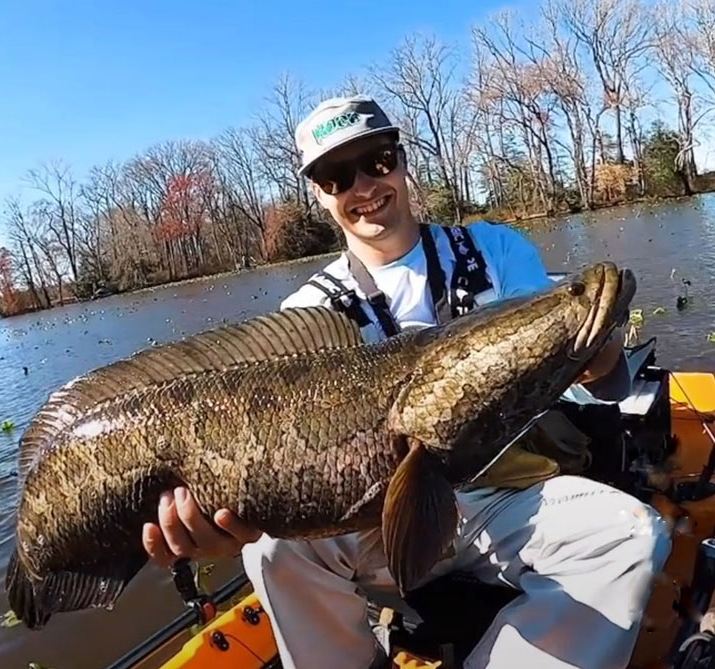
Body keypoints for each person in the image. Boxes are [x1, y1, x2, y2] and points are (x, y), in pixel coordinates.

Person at [142, 96, 671, 668]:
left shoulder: (495, 250)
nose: (364, 186)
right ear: (319, 193)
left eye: (376, 161)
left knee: (632, 537)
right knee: (271, 553)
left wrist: (596, 348)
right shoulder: (307, 316)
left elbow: (586, 373)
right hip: (382, 520)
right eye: (336, 175)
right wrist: (225, 526)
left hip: (514, 496)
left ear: (400, 160)